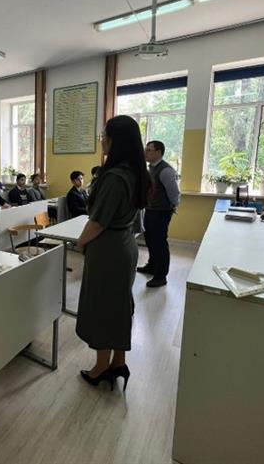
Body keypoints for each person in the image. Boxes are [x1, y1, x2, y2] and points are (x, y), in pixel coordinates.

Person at [75, 115, 151, 390]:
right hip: (125, 244)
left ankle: (100, 367)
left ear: (116, 140)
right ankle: (119, 361)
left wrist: (80, 242)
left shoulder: (114, 177)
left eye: (104, 135)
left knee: (102, 306)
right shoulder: (136, 172)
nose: (102, 140)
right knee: (119, 305)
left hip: (108, 249)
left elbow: (98, 222)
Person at [137, 140, 180, 288]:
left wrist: (173, 206)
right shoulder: (151, 168)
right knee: (150, 240)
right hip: (151, 210)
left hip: (161, 212)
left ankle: (161, 276)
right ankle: (152, 266)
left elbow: (174, 193)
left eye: (149, 150)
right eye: (146, 149)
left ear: (159, 152)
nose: (145, 152)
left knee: (159, 243)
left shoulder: (165, 170)